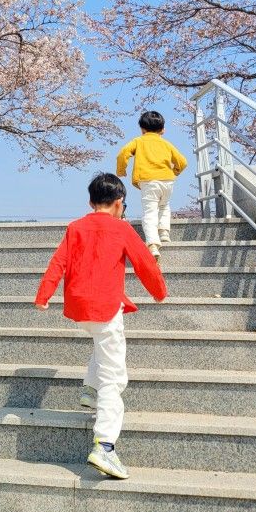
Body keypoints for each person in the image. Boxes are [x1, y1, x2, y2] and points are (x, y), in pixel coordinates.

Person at [33, 173, 167, 479]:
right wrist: (159, 292)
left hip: (80, 308)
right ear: (119, 203)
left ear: (91, 202)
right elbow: (145, 262)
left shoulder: (75, 226)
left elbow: (58, 262)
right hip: (105, 308)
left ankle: (90, 391)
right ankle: (105, 446)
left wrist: (44, 295)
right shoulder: (120, 228)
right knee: (115, 377)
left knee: (102, 346)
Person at [116, 110, 188, 259]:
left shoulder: (138, 141)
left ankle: (153, 244)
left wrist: (121, 170)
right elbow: (182, 162)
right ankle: (164, 233)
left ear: (142, 129)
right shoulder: (166, 144)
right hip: (167, 181)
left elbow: (123, 154)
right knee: (164, 206)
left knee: (150, 211)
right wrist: (175, 172)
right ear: (163, 130)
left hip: (148, 181)